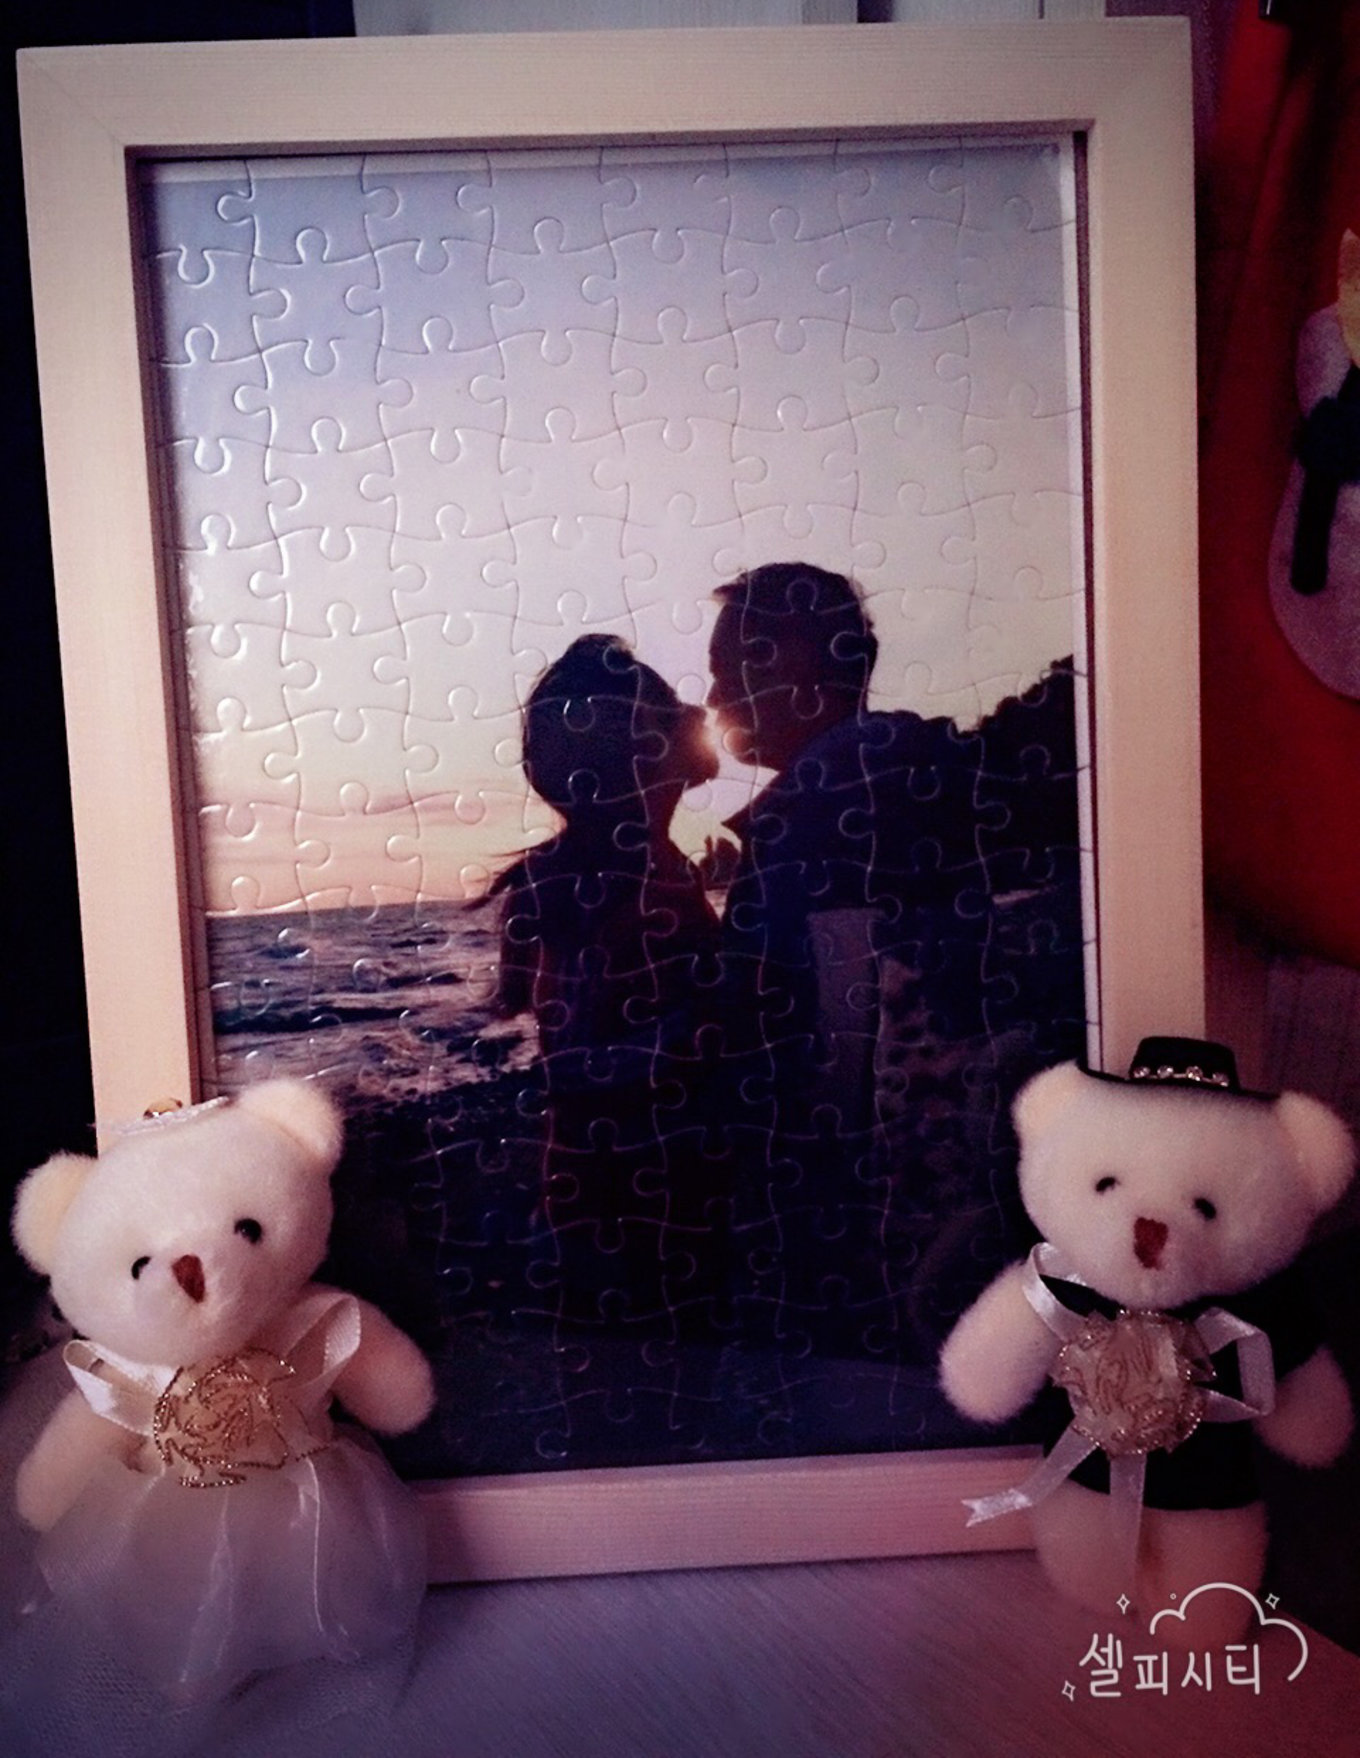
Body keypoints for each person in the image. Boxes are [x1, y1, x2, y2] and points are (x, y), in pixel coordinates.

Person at [706, 562, 1087, 1357]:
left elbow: (838, 1021)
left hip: (877, 1192)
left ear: (788, 664)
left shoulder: (828, 793)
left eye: (725, 670)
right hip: (947, 1172)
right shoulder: (901, 767)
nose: (713, 698)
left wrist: (802, 1186)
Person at [494, 634, 727, 1328]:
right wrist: (709, 1028)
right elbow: (576, 1063)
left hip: (661, 1195)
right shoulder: (603, 889)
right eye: (670, 711)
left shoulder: (657, 869)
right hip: (615, 1212)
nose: (696, 714)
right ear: (638, 757)